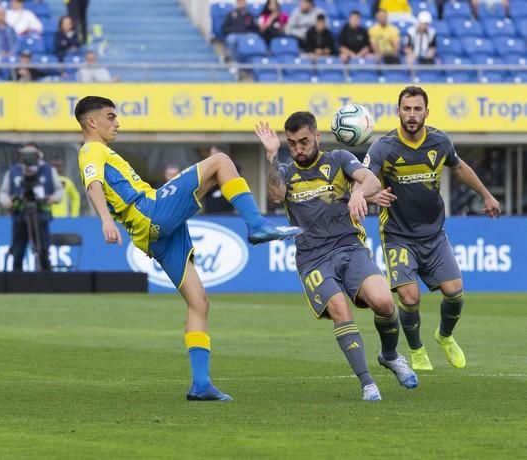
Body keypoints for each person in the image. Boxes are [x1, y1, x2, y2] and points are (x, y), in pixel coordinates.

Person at [75, 96, 302, 401]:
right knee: (221, 161)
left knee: (199, 303)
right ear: (92, 122)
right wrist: (105, 220)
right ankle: (257, 224)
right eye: (111, 117)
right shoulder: (92, 150)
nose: (117, 123)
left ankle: (201, 384)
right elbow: (93, 184)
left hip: (154, 236)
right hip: (152, 211)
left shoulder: (101, 151)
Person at [254, 112, 418, 401]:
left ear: (317, 137)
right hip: (313, 259)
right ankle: (367, 383)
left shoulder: (339, 159)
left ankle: (390, 355)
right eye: (291, 144)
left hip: (350, 248)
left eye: (303, 141)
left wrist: (358, 194)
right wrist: (270, 156)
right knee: (341, 310)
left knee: (384, 302)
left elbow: (371, 181)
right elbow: (277, 195)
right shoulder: (286, 172)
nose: (298, 149)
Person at [364, 86, 501, 370]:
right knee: (409, 296)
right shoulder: (383, 147)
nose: (412, 115)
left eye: (417, 109)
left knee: (455, 291)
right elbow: (362, 179)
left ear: (427, 112)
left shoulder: (439, 141)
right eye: (407, 109)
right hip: (398, 236)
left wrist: (486, 195)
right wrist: (369, 194)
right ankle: (416, 350)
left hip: (433, 234)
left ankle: (445, 336)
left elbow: (460, 167)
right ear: (398, 111)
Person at [0, 145, 63, 272]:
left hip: (41, 216)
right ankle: (16, 281)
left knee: (43, 250)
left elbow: (59, 189)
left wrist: (53, 198)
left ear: (38, 154)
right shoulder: (13, 171)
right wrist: (7, 202)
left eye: (31, 153)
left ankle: (46, 280)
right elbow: (3, 192)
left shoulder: (48, 170)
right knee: (18, 251)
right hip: (20, 217)